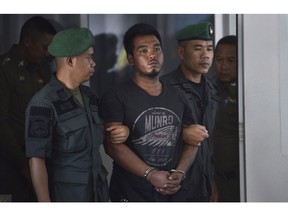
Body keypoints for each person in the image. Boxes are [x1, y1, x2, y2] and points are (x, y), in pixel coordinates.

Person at [100, 23, 209, 202]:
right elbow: (112, 146)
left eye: (156, 49)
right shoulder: (116, 95)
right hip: (132, 192)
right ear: (131, 59)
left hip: (173, 192)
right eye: (143, 51)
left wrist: (180, 172)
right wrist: (150, 174)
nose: (152, 55)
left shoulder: (179, 95)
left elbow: (192, 141)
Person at [25, 27, 129, 202]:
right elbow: (36, 158)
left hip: (98, 191)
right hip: (68, 195)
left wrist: (122, 131)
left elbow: (99, 132)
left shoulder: (89, 97)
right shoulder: (43, 103)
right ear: (70, 61)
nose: (94, 63)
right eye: (88, 58)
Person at [0, 16, 57, 201]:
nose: (48, 54)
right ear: (27, 41)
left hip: (39, 158)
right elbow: (1, 122)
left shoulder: (42, 70)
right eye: (44, 47)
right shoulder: (5, 69)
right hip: (12, 162)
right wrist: (22, 164)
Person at [161, 22, 219, 202]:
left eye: (209, 49)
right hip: (171, 184)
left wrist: (211, 182)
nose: (206, 55)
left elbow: (210, 145)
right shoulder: (164, 88)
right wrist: (181, 133)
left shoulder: (214, 91)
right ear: (181, 52)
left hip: (203, 185)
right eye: (198, 48)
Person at [212, 35, 239, 202]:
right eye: (219, 59)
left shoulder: (247, 91)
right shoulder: (209, 91)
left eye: (231, 61)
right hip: (216, 177)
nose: (223, 66)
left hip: (242, 179)